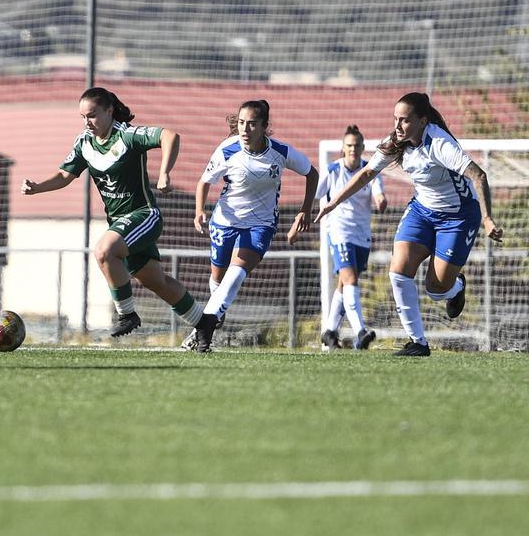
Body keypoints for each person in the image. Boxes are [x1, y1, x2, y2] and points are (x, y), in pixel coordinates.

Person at [316, 92, 503, 357]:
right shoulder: (395, 142)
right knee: (398, 272)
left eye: (404, 120)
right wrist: (333, 202)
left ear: (422, 121)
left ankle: (456, 287)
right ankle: (418, 343)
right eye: (395, 119)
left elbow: (478, 175)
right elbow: (367, 173)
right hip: (422, 212)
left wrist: (487, 218)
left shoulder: (439, 143)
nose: (398, 125)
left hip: (458, 216)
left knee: (436, 289)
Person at [21, 87, 207, 340]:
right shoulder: (84, 142)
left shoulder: (127, 135)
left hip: (144, 215)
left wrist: (165, 173)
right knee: (155, 281)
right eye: (83, 117)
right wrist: (37, 188)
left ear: (109, 111)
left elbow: (169, 136)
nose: (87, 122)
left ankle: (127, 315)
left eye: (92, 115)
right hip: (121, 224)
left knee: (104, 251)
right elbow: (65, 175)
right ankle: (204, 323)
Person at [189, 99, 318, 352]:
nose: (245, 130)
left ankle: (205, 326)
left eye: (251, 124)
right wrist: (199, 211)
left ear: (264, 127)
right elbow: (204, 181)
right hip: (225, 221)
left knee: (237, 272)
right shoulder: (228, 149)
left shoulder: (280, 152)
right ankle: (214, 315)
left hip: (261, 224)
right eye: (241, 123)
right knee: (218, 279)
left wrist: (305, 210)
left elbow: (311, 173)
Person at [315, 125, 387, 351]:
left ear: (363, 148)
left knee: (344, 284)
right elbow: (315, 194)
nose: (353, 149)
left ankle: (329, 332)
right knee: (351, 280)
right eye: (349, 145)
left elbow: (379, 193)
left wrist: (381, 200)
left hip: (361, 235)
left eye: (356, 145)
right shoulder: (332, 170)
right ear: (343, 148)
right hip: (339, 232)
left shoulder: (370, 171)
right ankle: (360, 332)